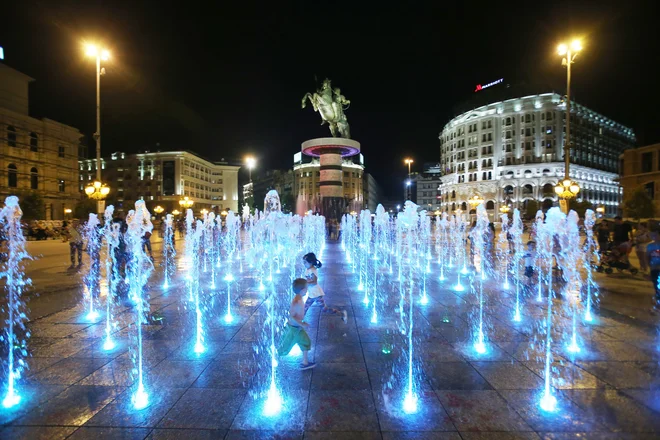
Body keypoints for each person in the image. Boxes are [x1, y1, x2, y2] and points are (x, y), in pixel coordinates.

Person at [277, 278, 316, 370]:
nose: (307, 290)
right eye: (306, 288)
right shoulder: (296, 301)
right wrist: (301, 324)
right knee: (285, 348)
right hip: (294, 328)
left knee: (306, 342)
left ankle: (305, 362)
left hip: (297, 327)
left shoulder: (299, 299)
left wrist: (302, 322)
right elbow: (292, 316)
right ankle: (274, 357)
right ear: (302, 290)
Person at [302, 252, 347, 322]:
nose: (304, 264)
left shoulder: (312, 270)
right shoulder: (308, 269)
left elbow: (314, 282)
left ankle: (342, 314)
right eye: (303, 262)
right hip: (312, 294)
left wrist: (305, 282)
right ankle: (298, 323)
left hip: (316, 294)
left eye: (305, 262)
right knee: (305, 308)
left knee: (325, 309)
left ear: (310, 262)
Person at [645, 230, 660, 314]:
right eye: (652, 235)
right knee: (656, 287)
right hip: (654, 269)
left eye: (656, 235)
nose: (654, 237)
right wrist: (649, 267)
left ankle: (658, 307)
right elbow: (647, 256)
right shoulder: (650, 246)